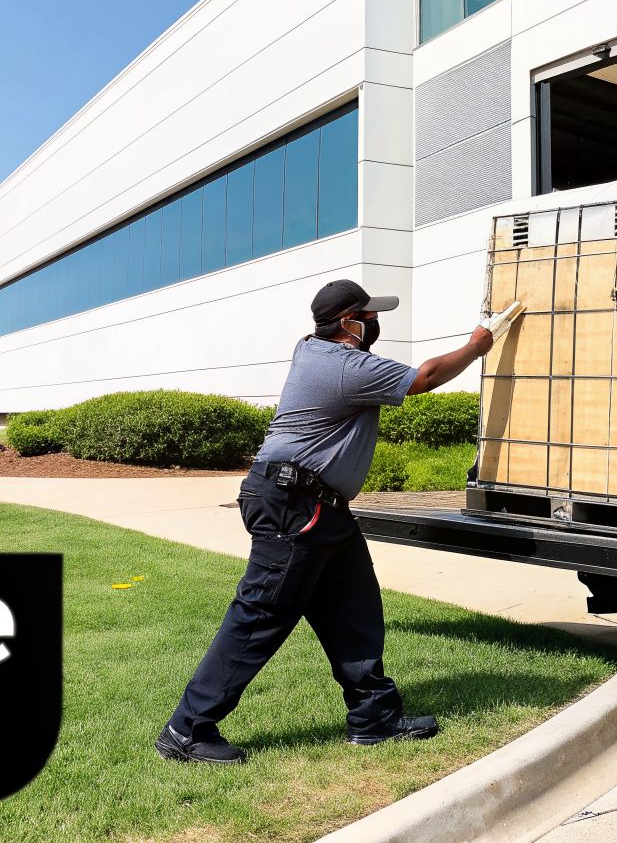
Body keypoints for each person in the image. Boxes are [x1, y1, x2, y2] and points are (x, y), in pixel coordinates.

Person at [156, 279, 523, 763]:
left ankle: (375, 717)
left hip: (320, 507)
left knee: (354, 608)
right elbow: (426, 377)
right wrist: (478, 345)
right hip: (295, 505)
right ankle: (188, 729)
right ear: (349, 323)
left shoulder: (312, 350)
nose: (375, 323)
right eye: (369, 316)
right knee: (261, 615)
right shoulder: (343, 365)